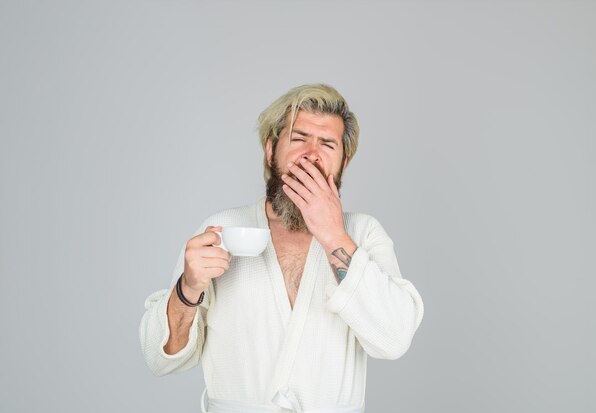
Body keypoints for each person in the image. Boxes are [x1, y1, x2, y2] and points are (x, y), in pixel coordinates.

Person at [139, 84, 425, 413]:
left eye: (328, 144)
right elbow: (160, 358)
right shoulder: (223, 228)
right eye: (299, 138)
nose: (312, 154)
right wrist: (188, 288)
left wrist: (333, 234)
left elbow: (394, 339)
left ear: (343, 162)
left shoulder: (363, 233)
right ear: (271, 149)